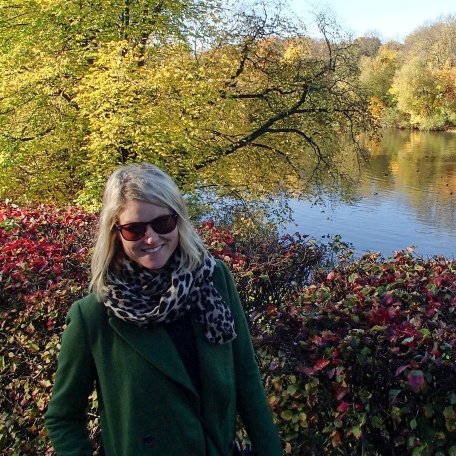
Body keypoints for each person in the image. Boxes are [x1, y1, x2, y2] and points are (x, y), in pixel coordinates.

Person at [45, 163, 282, 456]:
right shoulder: (94, 316)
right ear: (115, 232)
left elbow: (246, 378)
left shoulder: (213, 281)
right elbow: (63, 418)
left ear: (178, 220)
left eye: (163, 223)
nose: (152, 238)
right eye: (134, 229)